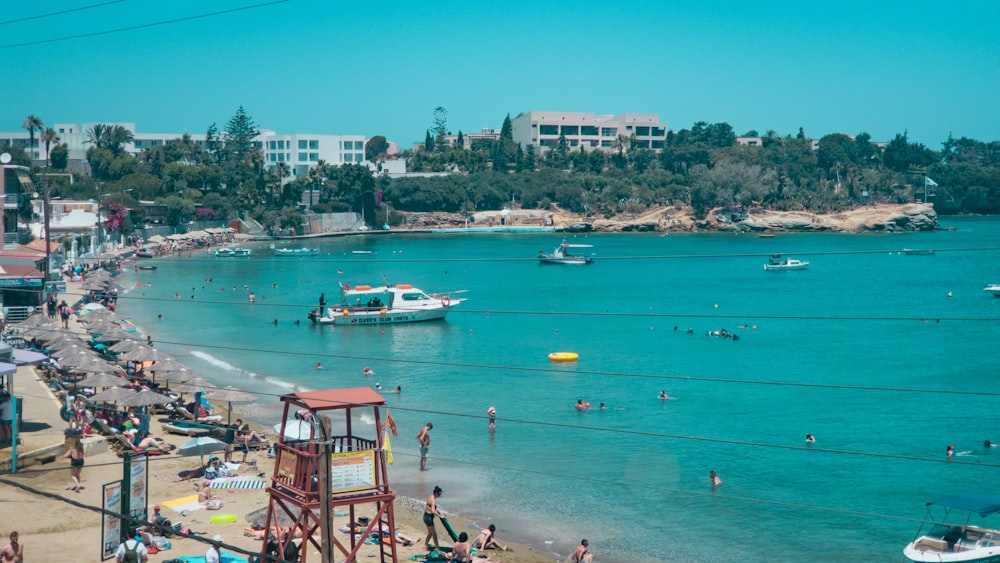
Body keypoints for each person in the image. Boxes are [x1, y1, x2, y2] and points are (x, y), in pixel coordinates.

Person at [423, 486, 443, 551]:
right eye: (439, 494)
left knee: (430, 533)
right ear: (436, 493)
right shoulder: (433, 500)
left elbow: (428, 506)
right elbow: (433, 510)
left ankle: (425, 545)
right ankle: (437, 547)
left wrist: (437, 512)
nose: (440, 495)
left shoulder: (430, 497)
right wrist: (440, 516)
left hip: (425, 516)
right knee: (434, 534)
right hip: (429, 518)